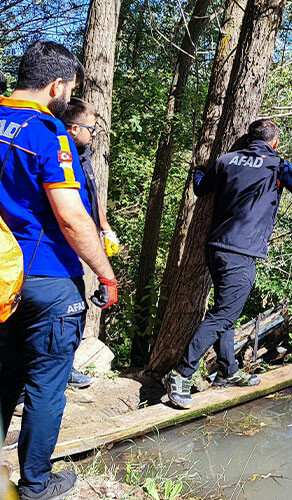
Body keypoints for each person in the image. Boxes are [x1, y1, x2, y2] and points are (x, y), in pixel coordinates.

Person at [0, 41, 118, 500]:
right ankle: (35, 485)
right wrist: (105, 274)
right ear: (56, 84)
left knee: (4, 375)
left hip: (2, 278)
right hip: (45, 277)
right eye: (69, 87)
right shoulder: (49, 135)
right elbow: (70, 215)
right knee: (47, 385)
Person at [162, 119, 292, 409]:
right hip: (241, 251)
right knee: (225, 314)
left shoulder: (226, 160)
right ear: (274, 142)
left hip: (216, 247)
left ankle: (227, 371)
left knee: (224, 311)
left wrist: (199, 169)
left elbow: (201, 188)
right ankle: (180, 374)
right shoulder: (277, 165)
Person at [61, 97, 121, 389]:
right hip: (67, 246)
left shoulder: (82, 157)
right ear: (73, 128)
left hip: (87, 245)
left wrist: (106, 230)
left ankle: (66, 365)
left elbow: (91, 199)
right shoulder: (62, 155)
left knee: (78, 308)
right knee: (65, 311)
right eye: (91, 128)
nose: (94, 133)